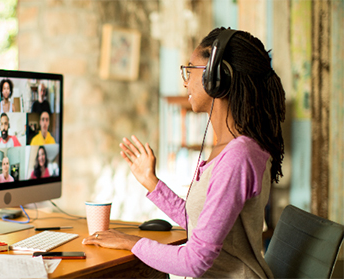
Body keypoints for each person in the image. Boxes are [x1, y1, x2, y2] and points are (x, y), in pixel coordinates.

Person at [82, 27, 286, 278]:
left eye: (190, 69)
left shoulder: (238, 156)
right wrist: (152, 183)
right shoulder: (229, 149)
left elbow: (195, 261)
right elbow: (203, 225)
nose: (185, 80)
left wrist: (130, 242)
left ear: (216, 77)